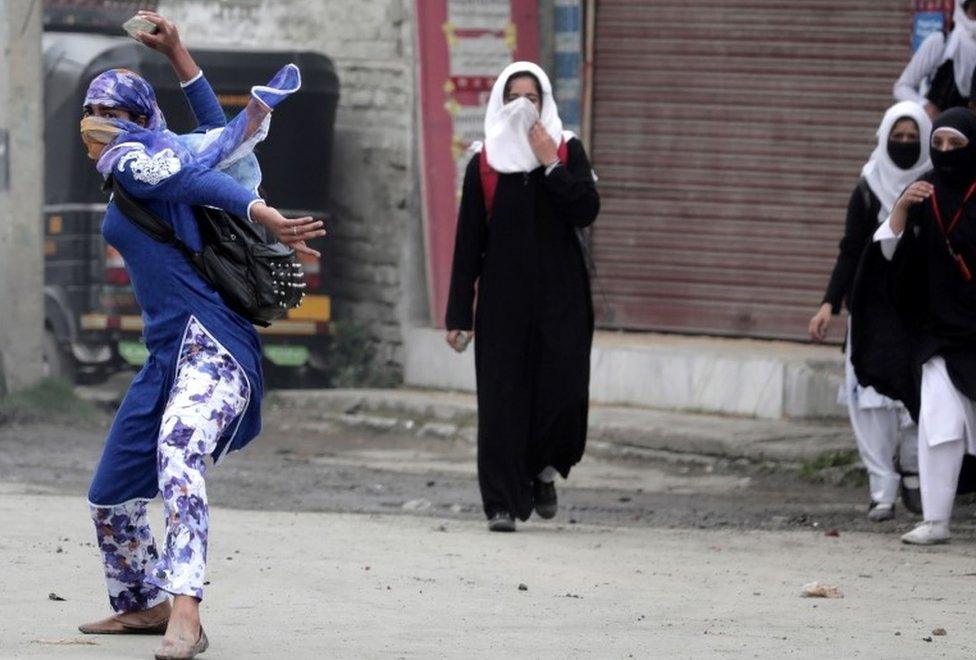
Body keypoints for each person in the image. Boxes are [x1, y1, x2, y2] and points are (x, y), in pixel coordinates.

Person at [75, 12, 324, 659]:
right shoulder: (151, 165)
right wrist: (181, 52)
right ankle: (142, 606)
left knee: (178, 455)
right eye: (91, 107)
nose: (96, 119)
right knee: (110, 494)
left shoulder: (153, 163)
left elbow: (204, 163)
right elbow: (211, 143)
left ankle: (186, 612)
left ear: (136, 119)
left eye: (111, 109)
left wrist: (256, 208)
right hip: (165, 357)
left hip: (214, 344)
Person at [445, 62, 600, 532]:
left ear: (545, 101)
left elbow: (586, 210)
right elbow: (469, 242)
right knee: (501, 401)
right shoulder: (486, 162)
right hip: (502, 302)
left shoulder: (567, 149)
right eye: (514, 96)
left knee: (563, 393)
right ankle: (501, 504)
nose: (523, 106)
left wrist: (551, 163)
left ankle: (544, 470)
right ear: (500, 101)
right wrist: (459, 315)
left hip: (563, 298)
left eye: (532, 97)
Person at [851, 107, 976, 545]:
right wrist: (902, 208)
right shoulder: (922, 195)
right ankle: (937, 520)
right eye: (938, 144)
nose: (944, 153)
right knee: (939, 423)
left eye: (955, 145)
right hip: (938, 334)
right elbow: (886, 257)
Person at [809, 102, 931, 521]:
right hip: (870, 308)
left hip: (921, 309)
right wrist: (828, 304)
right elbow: (850, 250)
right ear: (882, 138)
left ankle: (915, 477)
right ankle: (882, 489)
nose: (904, 145)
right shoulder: (867, 187)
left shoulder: (938, 183)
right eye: (896, 138)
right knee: (871, 404)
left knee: (919, 398)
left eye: (912, 138)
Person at [895, 0, 976, 118]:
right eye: (974, 13)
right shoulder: (941, 43)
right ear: (961, 11)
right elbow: (901, 87)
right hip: (937, 131)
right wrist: (925, 106)